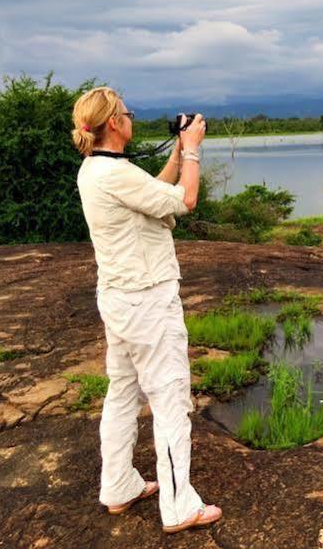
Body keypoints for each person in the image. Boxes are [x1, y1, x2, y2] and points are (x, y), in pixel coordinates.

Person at [70, 86, 222, 535]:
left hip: (120, 299)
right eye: (127, 113)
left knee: (122, 393)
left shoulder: (100, 169)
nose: (131, 118)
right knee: (170, 395)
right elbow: (184, 201)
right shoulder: (113, 174)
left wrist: (176, 153)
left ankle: (118, 485)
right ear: (114, 122)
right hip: (147, 301)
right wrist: (192, 152)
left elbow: (151, 192)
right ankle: (180, 507)